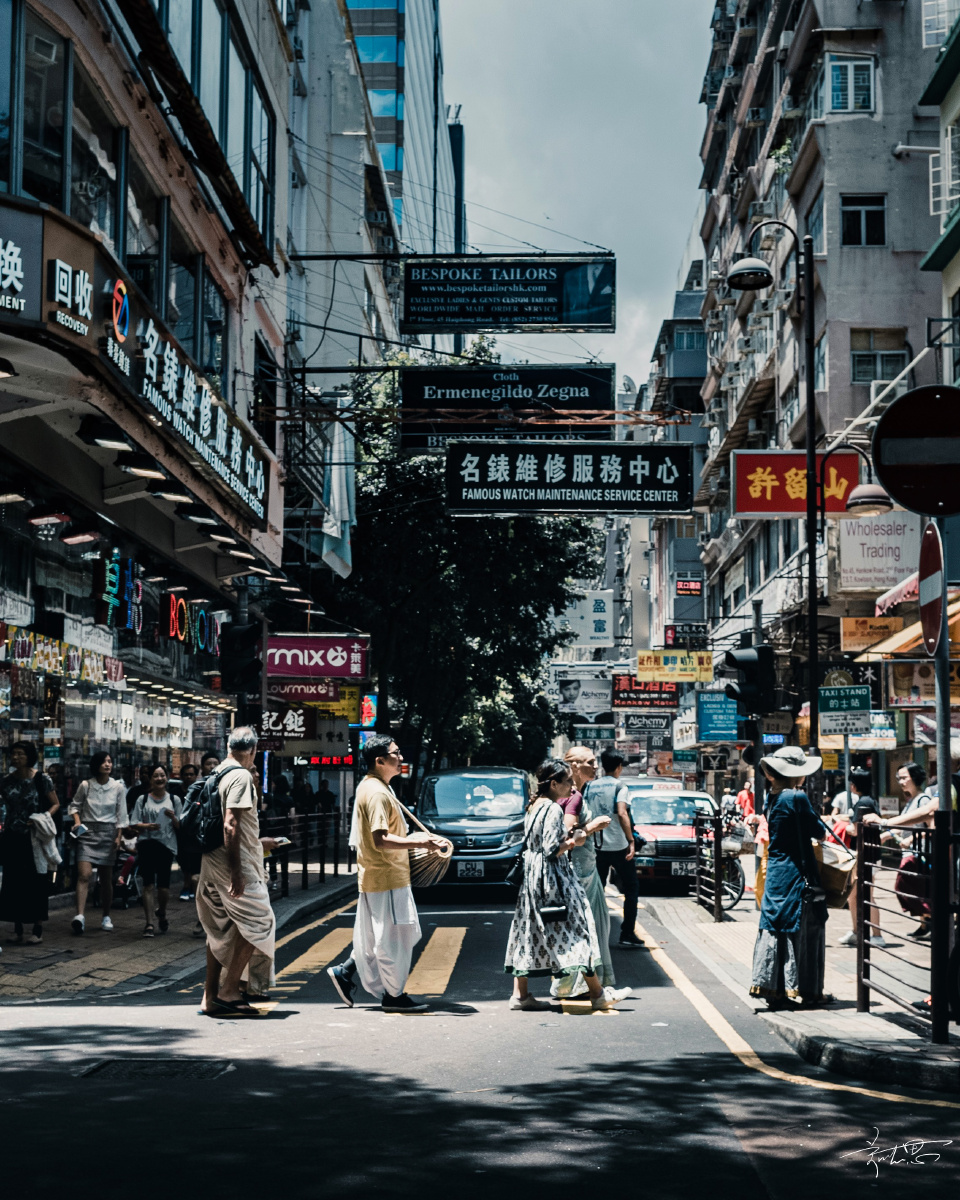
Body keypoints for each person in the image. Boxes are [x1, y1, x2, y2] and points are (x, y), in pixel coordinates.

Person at [327, 734, 448, 1013]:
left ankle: (345, 972)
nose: (401, 757)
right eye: (396, 753)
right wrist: (421, 841)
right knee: (395, 938)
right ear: (380, 761)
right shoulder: (378, 792)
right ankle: (394, 996)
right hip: (387, 876)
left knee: (375, 938)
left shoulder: (373, 786)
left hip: (377, 876)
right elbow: (381, 839)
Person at [504, 759, 631, 1012]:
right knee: (578, 931)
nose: (572, 788)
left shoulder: (533, 806)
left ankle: (520, 995)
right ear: (553, 783)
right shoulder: (551, 808)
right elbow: (553, 850)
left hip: (532, 879)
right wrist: (578, 838)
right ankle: (597, 994)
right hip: (554, 879)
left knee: (529, 932)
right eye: (568, 782)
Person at [197, 727, 280, 1016]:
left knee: (222, 929)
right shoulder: (242, 776)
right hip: (234, 865)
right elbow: (230, 825)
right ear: (253, 750)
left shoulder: (217, 771)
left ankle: (209, 996)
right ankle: (230, 990)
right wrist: (237, 872)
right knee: (260, 922)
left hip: (210, 863)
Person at [749, 745, 830, 1010]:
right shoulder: (796, 798)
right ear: (798, 774)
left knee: (775, 926)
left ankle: (774, 988)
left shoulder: (771, 798)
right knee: (801, 928)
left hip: (775, 871)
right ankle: (800, 989)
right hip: (797, 872)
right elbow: (820, 832)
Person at [553, 751, 615, 998]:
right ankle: (583, 987)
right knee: (585, 927)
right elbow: (567, 835)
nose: (595, 766)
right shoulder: (574, 796)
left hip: (585, 868)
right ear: (574, 766)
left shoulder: (571, 794)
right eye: (590, 762)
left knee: (589, 926)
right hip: (579, 872)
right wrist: (593, 826)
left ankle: (581, 985)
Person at [863, 761, 936, 939]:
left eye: (904, 778)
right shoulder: (911, 801)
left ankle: (932, 920)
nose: (901, 782)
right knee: (918, 890)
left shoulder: (924, 800)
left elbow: (931, 828)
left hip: (921, 854)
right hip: (912, 853)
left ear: (915, 778)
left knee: (906, 886)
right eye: (899, 778)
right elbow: (905, 825)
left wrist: (911, 838)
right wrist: (885, 836)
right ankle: (925, 924)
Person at [0, 742, 59, 944]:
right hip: (11, 836)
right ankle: (17, 930)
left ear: (29, 756)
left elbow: (55, 804)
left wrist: (42, 817)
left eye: (20, 754)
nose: (15, 758)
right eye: (13, 754)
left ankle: (37, 928)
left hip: (33, 837)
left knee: (36, 882)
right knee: (13, 882)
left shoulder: (42, 779)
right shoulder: (6, 781)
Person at [585, 748, 642, 948]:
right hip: (619, 846)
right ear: (619, 767)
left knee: (595, 889)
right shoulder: (620, 786)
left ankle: (591, 933)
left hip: (596, 845)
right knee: (631, 888)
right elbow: (622, 812)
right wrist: (631, 840)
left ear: (602, 765)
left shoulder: (589, 787)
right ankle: (627, 932)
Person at [68, 752, 127, 935]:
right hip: (87, 832)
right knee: (84, 875)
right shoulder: (86, 785)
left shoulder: (118, 787)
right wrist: (77, 821)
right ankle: (80, 916)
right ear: (96, 764)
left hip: (108, 833)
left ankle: (106, 916)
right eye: (104, 761)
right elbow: (74, 806)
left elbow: (121, 815)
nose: (107, 764)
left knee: (106, 878)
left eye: (110, 761)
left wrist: (118, 836)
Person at [128, 765, 182, 937]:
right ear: (150, 779)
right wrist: (147, 826)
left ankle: (162, 912)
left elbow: (180, 825)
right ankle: (149, 923)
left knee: (164, 888)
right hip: (147, 844)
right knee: (148, 884)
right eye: (155, 776)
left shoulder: (174, 800)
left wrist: (172, 816)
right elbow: (133, 822)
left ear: (166, 778)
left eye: (162, 775)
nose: (159, 779)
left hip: (166, 846)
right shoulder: (142, 800)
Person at [835, 768, 884, 949]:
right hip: (867, 854)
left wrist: (842, 826)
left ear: (854, 785)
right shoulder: (870, 800)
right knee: (854, 895)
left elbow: (855, 830)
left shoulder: (862, 802)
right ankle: (857, 932)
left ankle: (877, 935)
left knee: (867, 895)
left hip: (866, 856)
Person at [176, 762, 201, 903]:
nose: (189, 777)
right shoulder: (175, 792)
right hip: (180, 832)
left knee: (195, 862)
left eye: (191, 774)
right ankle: (188, 886)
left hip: (196, 832)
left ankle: (189, 887)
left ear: (196, 776)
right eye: (186, 774)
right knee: (183, 861)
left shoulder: (200, 791)